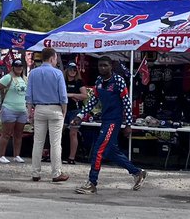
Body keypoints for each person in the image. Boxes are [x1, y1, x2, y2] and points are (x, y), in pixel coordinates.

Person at [71, 56, 146, 195]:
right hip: (105, 120)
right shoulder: (99, 81)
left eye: (105, 65)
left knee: (98, 150)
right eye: (100, 66)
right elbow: (93, 101)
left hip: (114, 121)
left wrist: (128, 124)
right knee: (109, 151)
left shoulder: (118, 81)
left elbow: (127, 103)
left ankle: (92, 183)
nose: (102, 68)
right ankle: (137, 172)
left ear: (111, 66)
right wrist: (80, 116)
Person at [27, 49, 70, 184]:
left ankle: (35, 172)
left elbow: (29, 96)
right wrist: (64, 111)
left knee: (38, 142)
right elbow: (63, 96)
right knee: (55, 143)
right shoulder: (58, 73)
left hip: (39, 108)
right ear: (52, 58)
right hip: (55, 108)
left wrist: (30, 112)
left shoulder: (33, 73)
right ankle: (56, 173)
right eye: (56, 58)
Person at [0, 56, 29, 163]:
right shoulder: (8, 77)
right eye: (16, 66)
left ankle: (16, 155)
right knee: (6, 133)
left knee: (19, 134)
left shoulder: (25, 79)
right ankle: (1, 155)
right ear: (12, 67)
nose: (19, 68)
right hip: (9, 108)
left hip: (22, 109)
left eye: (20, 66)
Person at [64, 60, 88, 164]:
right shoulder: (62, 81)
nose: (72, 71)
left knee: (73, 133)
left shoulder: (79, 82)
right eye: (70, 69)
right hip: (63, 109)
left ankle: (71, 157)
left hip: (75, 110)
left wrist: (71, 95)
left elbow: (84, 96)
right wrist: (73, 95)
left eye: (74, 69)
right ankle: (56, 155)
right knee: (58, 132)